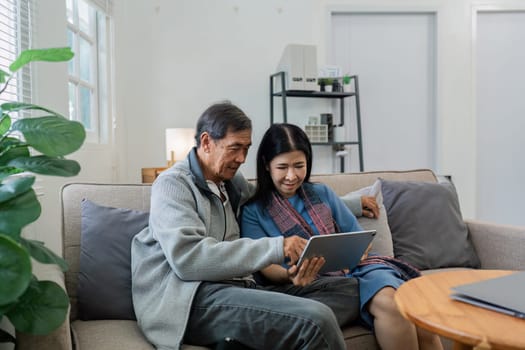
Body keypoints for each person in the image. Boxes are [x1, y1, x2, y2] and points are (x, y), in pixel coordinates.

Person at [131, 102, 362, 350]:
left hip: (237, 289)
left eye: (246, 149)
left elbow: (272, 201)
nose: (241, 158)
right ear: (207, 142)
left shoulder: (229, 180)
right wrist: (277, 247)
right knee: (318, 319)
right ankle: (292, 325)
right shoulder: (172, 185)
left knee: (351, 291)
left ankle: (261, 335)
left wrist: (351, 203)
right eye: (234, 148)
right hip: (191, 299)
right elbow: (188, 261)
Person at [240, 123, 444, 350]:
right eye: (282, 167)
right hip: (310, 284)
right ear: (266, 165)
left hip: (358, 268)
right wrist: (290, 275)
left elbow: (356, 234)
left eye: (299, 165)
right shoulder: (253, 211)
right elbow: (266, 266)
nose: (292, 175)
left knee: (410, 308)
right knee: (392, 306)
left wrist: (356, 251)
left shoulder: (321, 192)